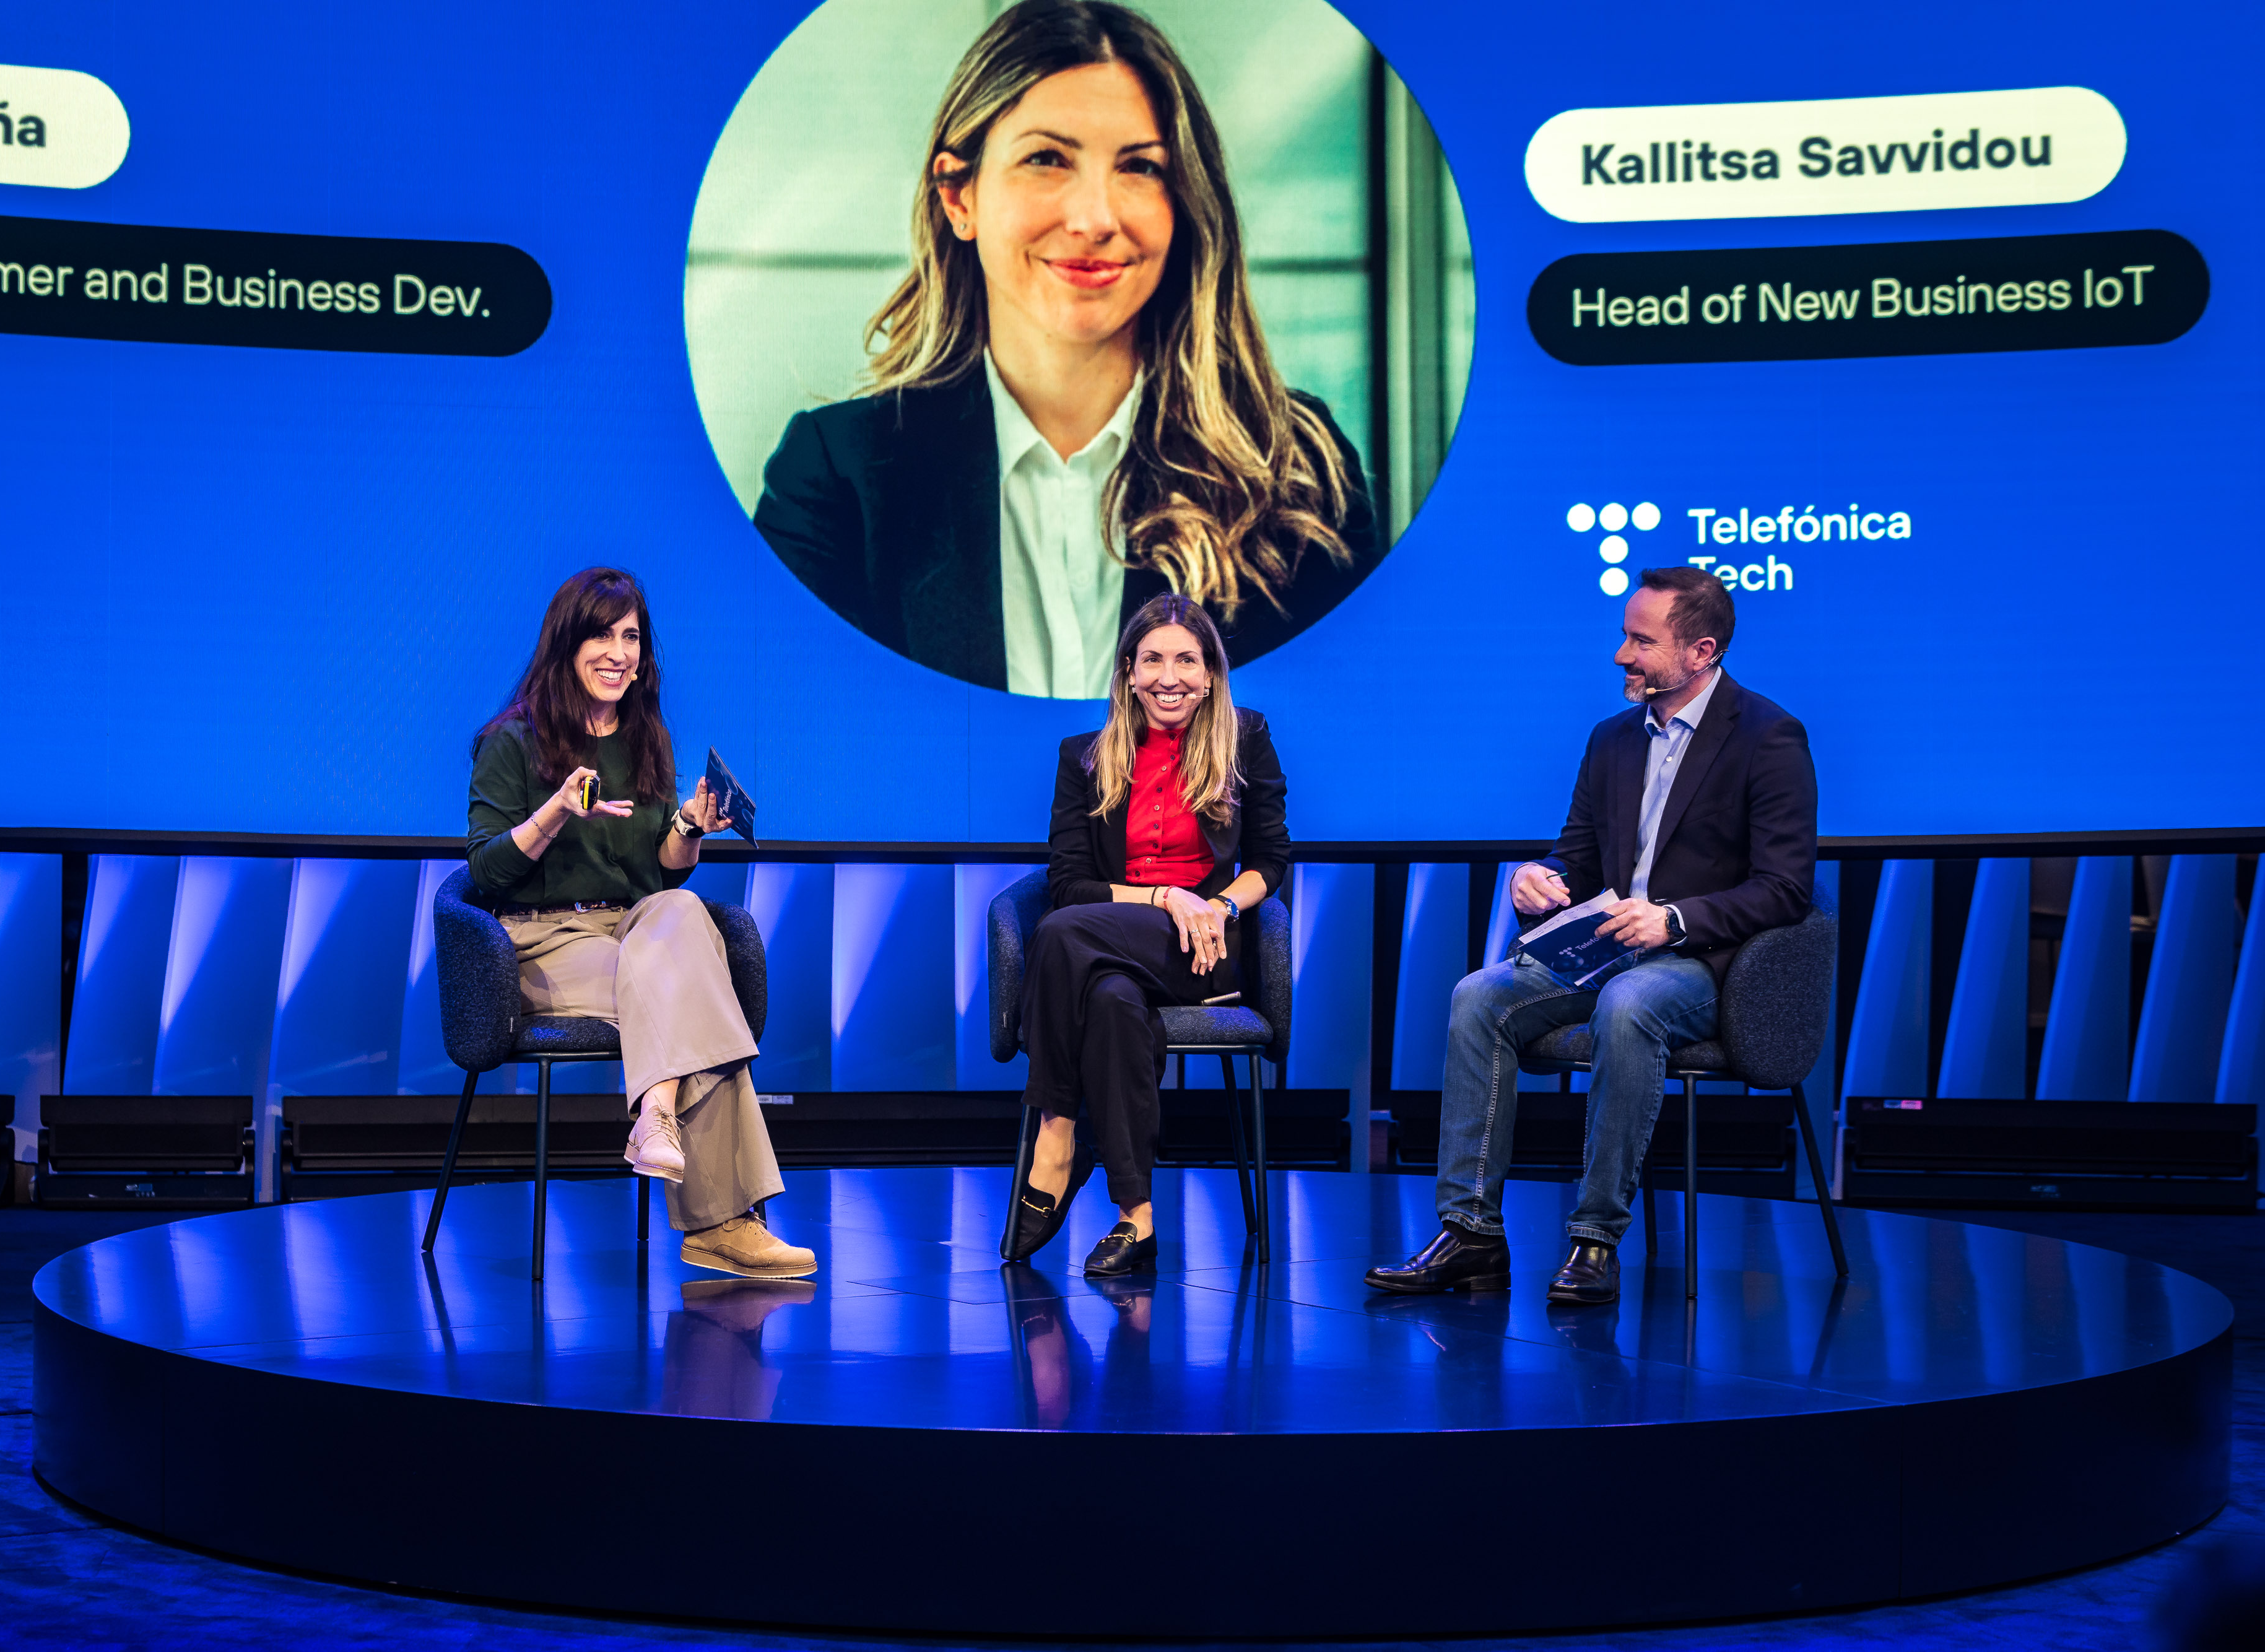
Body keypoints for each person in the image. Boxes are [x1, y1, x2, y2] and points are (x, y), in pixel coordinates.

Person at [754, 0, 1378, 699]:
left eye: (1139, 168)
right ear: (959, 197)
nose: (1094, 219)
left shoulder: (1294, 469)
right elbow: (794, 736)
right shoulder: (835, 478)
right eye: (1046, 159)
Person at [1366, 566, 1817, 1306]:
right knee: (1479, 996)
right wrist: (1536, 878)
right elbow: (1572, 854)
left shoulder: (1768, 737)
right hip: (1601, 950)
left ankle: (1594, 1238)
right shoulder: (1612, 739)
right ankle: (1471, 1234)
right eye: (1623, 635)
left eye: (1641, 641)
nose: (1621, 655)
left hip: (1700, 964)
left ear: (1700, 651)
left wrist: (1672, 918)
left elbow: (1785, 887)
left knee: (1631, 1002)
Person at [465, 567, 814, 1280]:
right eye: (602, 634)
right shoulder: (511, 741)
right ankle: (722, 1224)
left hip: (632, 926)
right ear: (566, 643)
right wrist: (557, 809)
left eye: (631, 637)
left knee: (683, 913)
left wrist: (690, 824)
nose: (618, 652)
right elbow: (486, 871)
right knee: (692, 1002)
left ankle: (655, 1112)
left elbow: (664, 869)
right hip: (541, 940)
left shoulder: (643, 735)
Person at [1007, 593, 1289, 1275]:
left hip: (1206, 953)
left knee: (1063, 935)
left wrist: (1215, 909)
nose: (1171, 677)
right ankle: (1137, 1216)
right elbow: (1070, 882)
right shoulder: (1084, 755)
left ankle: (1057, 1132)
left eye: (1187, 660)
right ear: (1128, 672)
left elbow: (1270, 863)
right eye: (1153, 660)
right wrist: (1168, 896)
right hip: (1113, 945)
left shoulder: (1244, 737)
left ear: (1212, 673)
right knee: (1105, 996)